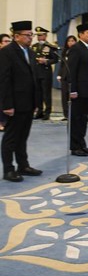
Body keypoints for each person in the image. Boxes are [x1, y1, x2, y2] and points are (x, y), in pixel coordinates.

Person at [0, 20, 43, 182]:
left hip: (28, 102)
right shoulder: (7, 52)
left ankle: (23, 165)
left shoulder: (30, 52)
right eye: (27, 35)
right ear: (16, 36)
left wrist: (36, 102)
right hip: (14, 103)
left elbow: (33, 78)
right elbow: (4, 80)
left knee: (23, 136)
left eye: (31, 35)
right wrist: (7, 105)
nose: (30, 38)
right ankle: (8, 169)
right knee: (11, 137)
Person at [67, 24, 88, 157]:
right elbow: (72, 71)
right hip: (78, 90)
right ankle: (75, 146)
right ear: (80, 34)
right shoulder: (76, 49)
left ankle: (82, 144)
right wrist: (72, 89)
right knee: (76, 119)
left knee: (83, 118)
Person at [31, 26, 59, 120]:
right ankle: (39, 111)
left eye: (41, 35)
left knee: (46, 93)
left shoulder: (50, 47)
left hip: (45, 72)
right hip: (36, 72)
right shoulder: (34, 46)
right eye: (38, 35)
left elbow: (55, 59)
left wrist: (46, 61)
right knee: (37, 93)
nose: (39, 37)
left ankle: (47, 112)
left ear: (45, 36)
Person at [56, 35, 77, 121]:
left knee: (72, 96)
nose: (70, 43)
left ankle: (73, 114)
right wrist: (59, 74)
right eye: (69, 41)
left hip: (73, 77)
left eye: (72, 41)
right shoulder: (65, 52)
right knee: (64, 96)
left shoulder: (77, 51)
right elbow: (62, 64)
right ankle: (66, 114)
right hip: (64, 77)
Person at [0, 33, 12, 131]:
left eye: (9, 41)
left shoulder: (11, 54)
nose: (8, 43)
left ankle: (5, 122)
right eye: (5, 41)